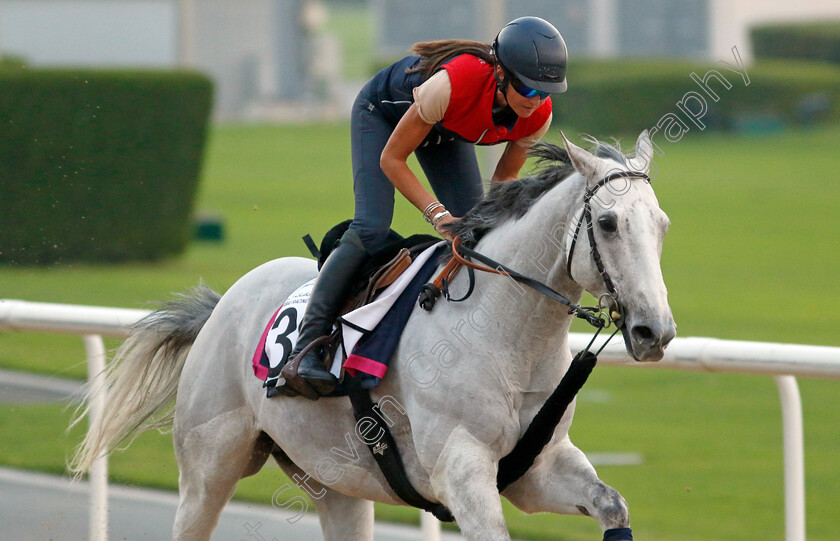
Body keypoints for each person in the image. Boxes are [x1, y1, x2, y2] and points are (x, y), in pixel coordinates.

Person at [284, 16, 568, 398]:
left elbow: (504, 182)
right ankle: (307, 347)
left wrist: (488, 224)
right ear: (500, 71)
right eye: (527, 89)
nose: (534, 102)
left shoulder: (538, 117)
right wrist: (437, 215)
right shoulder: (455, 82)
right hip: (383, 117)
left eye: (544, 93)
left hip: (445, 130)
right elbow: (392, 160)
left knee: (476, 236)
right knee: (371, 227)